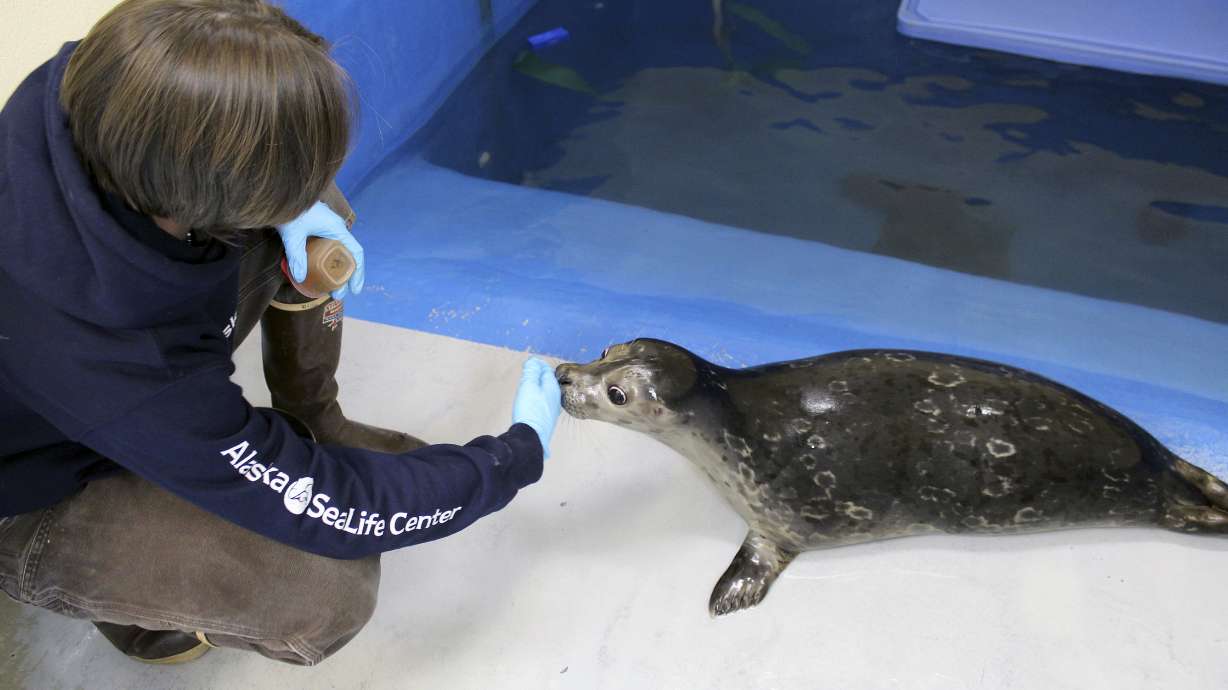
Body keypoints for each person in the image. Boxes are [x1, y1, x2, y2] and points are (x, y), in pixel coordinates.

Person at [0, 0, 562, 667]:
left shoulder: (84, 82)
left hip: (81, 379)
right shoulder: (122, 356)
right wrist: (510, 459)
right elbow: (339, 508)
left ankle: (317, 416)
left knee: (320, 213)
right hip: (31, 486)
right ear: (191, 195)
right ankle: (143, 615)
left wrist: (296, 204)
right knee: (320, 591)